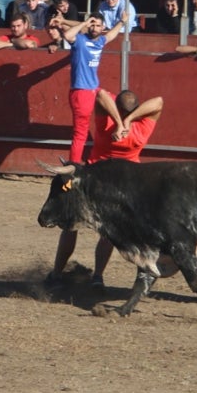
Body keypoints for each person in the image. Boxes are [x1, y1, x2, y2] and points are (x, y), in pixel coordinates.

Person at [47, 87, 164, 288]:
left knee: (70, 226)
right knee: (107, 234)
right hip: (123, 186)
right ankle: (98, 277)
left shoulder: (108, 123)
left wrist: (118, 122)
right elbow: (158, 100)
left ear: (116, 108)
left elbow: (100, 95)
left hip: (93, 179)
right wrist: (128, 121)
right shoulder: (142, 126)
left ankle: (56, 274)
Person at [62, 9, 129, 164]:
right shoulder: (79, 40)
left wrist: (121, 22)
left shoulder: (99, 41)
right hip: (81, 92)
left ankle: (120, 126)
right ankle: (73, 168)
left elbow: (111, 35)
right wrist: (84, 23)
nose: (94, 28)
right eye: (92, 25)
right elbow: (67, 36)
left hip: (94, 89)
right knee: (80, 134)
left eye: (98, 25)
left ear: (102, 27)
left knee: (115, 101)